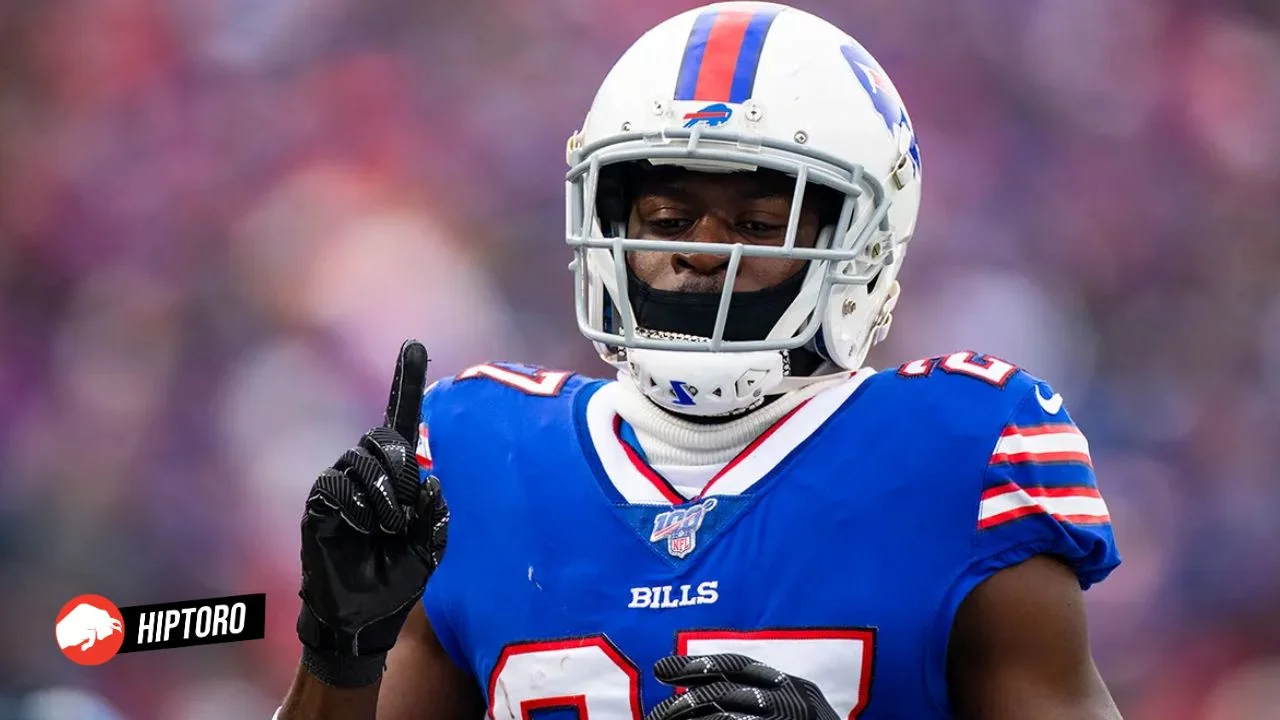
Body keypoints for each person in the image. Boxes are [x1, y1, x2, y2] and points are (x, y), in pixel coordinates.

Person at [276, 2, 1123, 718]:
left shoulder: (959, 450)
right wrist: (339, 647)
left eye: (757, 225)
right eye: (668, 220)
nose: (704, 253)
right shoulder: (473, 452)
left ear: (865, 244)